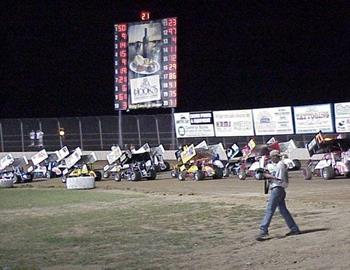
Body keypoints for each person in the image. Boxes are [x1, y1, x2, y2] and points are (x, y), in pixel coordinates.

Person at [256, 149, 300, 241]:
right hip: (279, 189)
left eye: (272, 157)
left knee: (270, 209)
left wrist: (266, 175)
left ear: (275, 157)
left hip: (277, 188)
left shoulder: (280, 165)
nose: (271, 159)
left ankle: (263, 231)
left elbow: (277, 178)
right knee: (283, 211)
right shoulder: (279, 165)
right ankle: (294, 228)